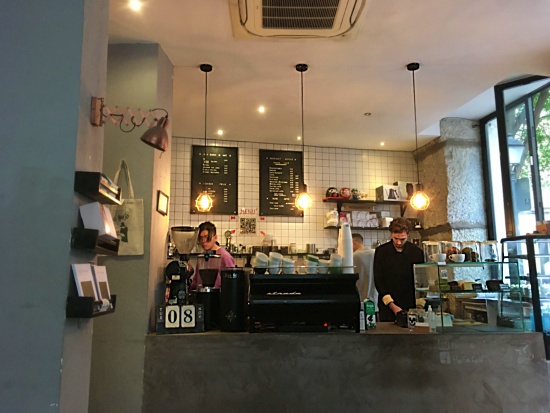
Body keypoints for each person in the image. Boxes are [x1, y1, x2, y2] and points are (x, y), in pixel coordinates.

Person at [373, 217, 424, 322]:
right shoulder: (382, 252)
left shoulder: (417, 252)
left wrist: (420, 304)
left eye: (402, 239)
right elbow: (379, 280)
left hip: (411, 303)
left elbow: (421, 280)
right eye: (396, 238)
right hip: (387, 304)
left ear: (408, 235)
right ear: (391, 233)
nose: (399, 242)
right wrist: (392, 305)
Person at [190, 221, 235, 290]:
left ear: (215, 238)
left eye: (207, 237)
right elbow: (196, 280)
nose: (203, 241)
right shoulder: (202, 257)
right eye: (201, 238)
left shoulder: (225, 257)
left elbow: (231, 283)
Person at [352, 233, 378, 310]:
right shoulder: (375, 253)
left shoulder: (353, 256)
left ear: (353, 242)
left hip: (359, 300)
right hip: (375, 301)